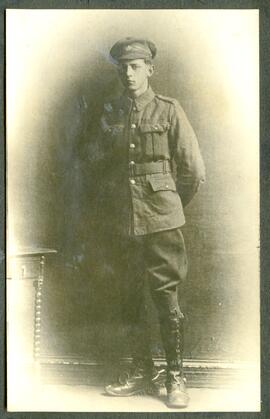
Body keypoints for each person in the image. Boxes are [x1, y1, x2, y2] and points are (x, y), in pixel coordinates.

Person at [92, 37, 205, 408]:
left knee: (166, 297)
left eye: (136, 66)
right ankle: (141, 372)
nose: (128, 73)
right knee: (128, 298)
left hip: (161, 220)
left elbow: (192, 172)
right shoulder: (109, 112)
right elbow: (99, 170)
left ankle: (175, 377)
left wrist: (167, 206)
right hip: (122, 221)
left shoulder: (169, 110)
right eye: (123, 67)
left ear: (150, 69)